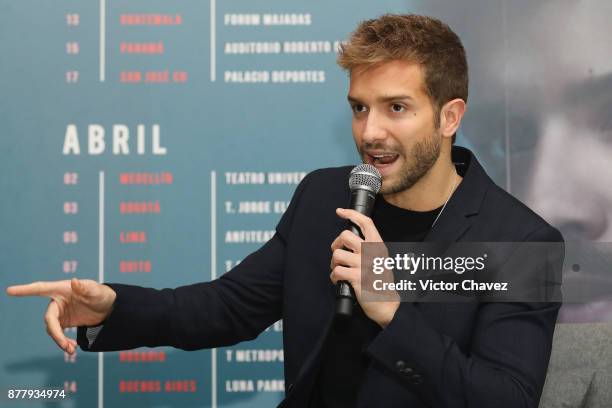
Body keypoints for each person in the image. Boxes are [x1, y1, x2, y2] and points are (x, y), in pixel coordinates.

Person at [6, 14, 563, 407]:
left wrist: (392, 311)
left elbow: (505, 398)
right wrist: (112, 308)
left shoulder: (518, 241)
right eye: (360, 108)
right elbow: (228, 307)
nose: (370, 132)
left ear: (449, 116)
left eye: (397, 108)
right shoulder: (326, 197)